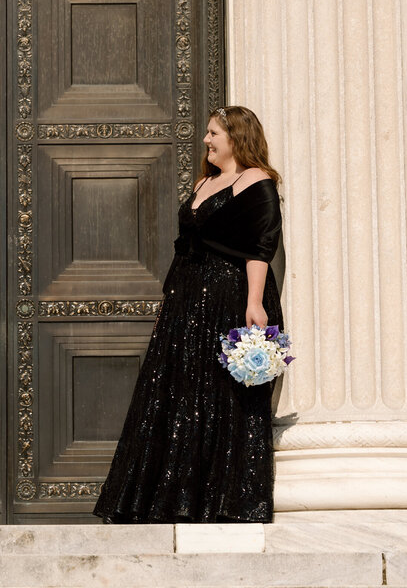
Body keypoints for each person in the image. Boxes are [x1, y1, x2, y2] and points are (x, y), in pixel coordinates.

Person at [94, 105, 283, 524]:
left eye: (214, 133)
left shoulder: (257, 182)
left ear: (236, 138)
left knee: (221, 396)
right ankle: (166, 501)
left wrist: (254, 303)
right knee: (176, 391)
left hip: (227, 298)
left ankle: (221, 503)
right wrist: (169, 304)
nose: (206, 140)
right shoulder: (205, 181)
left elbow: (260, 248)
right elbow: (186, 247)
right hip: (186, 298)